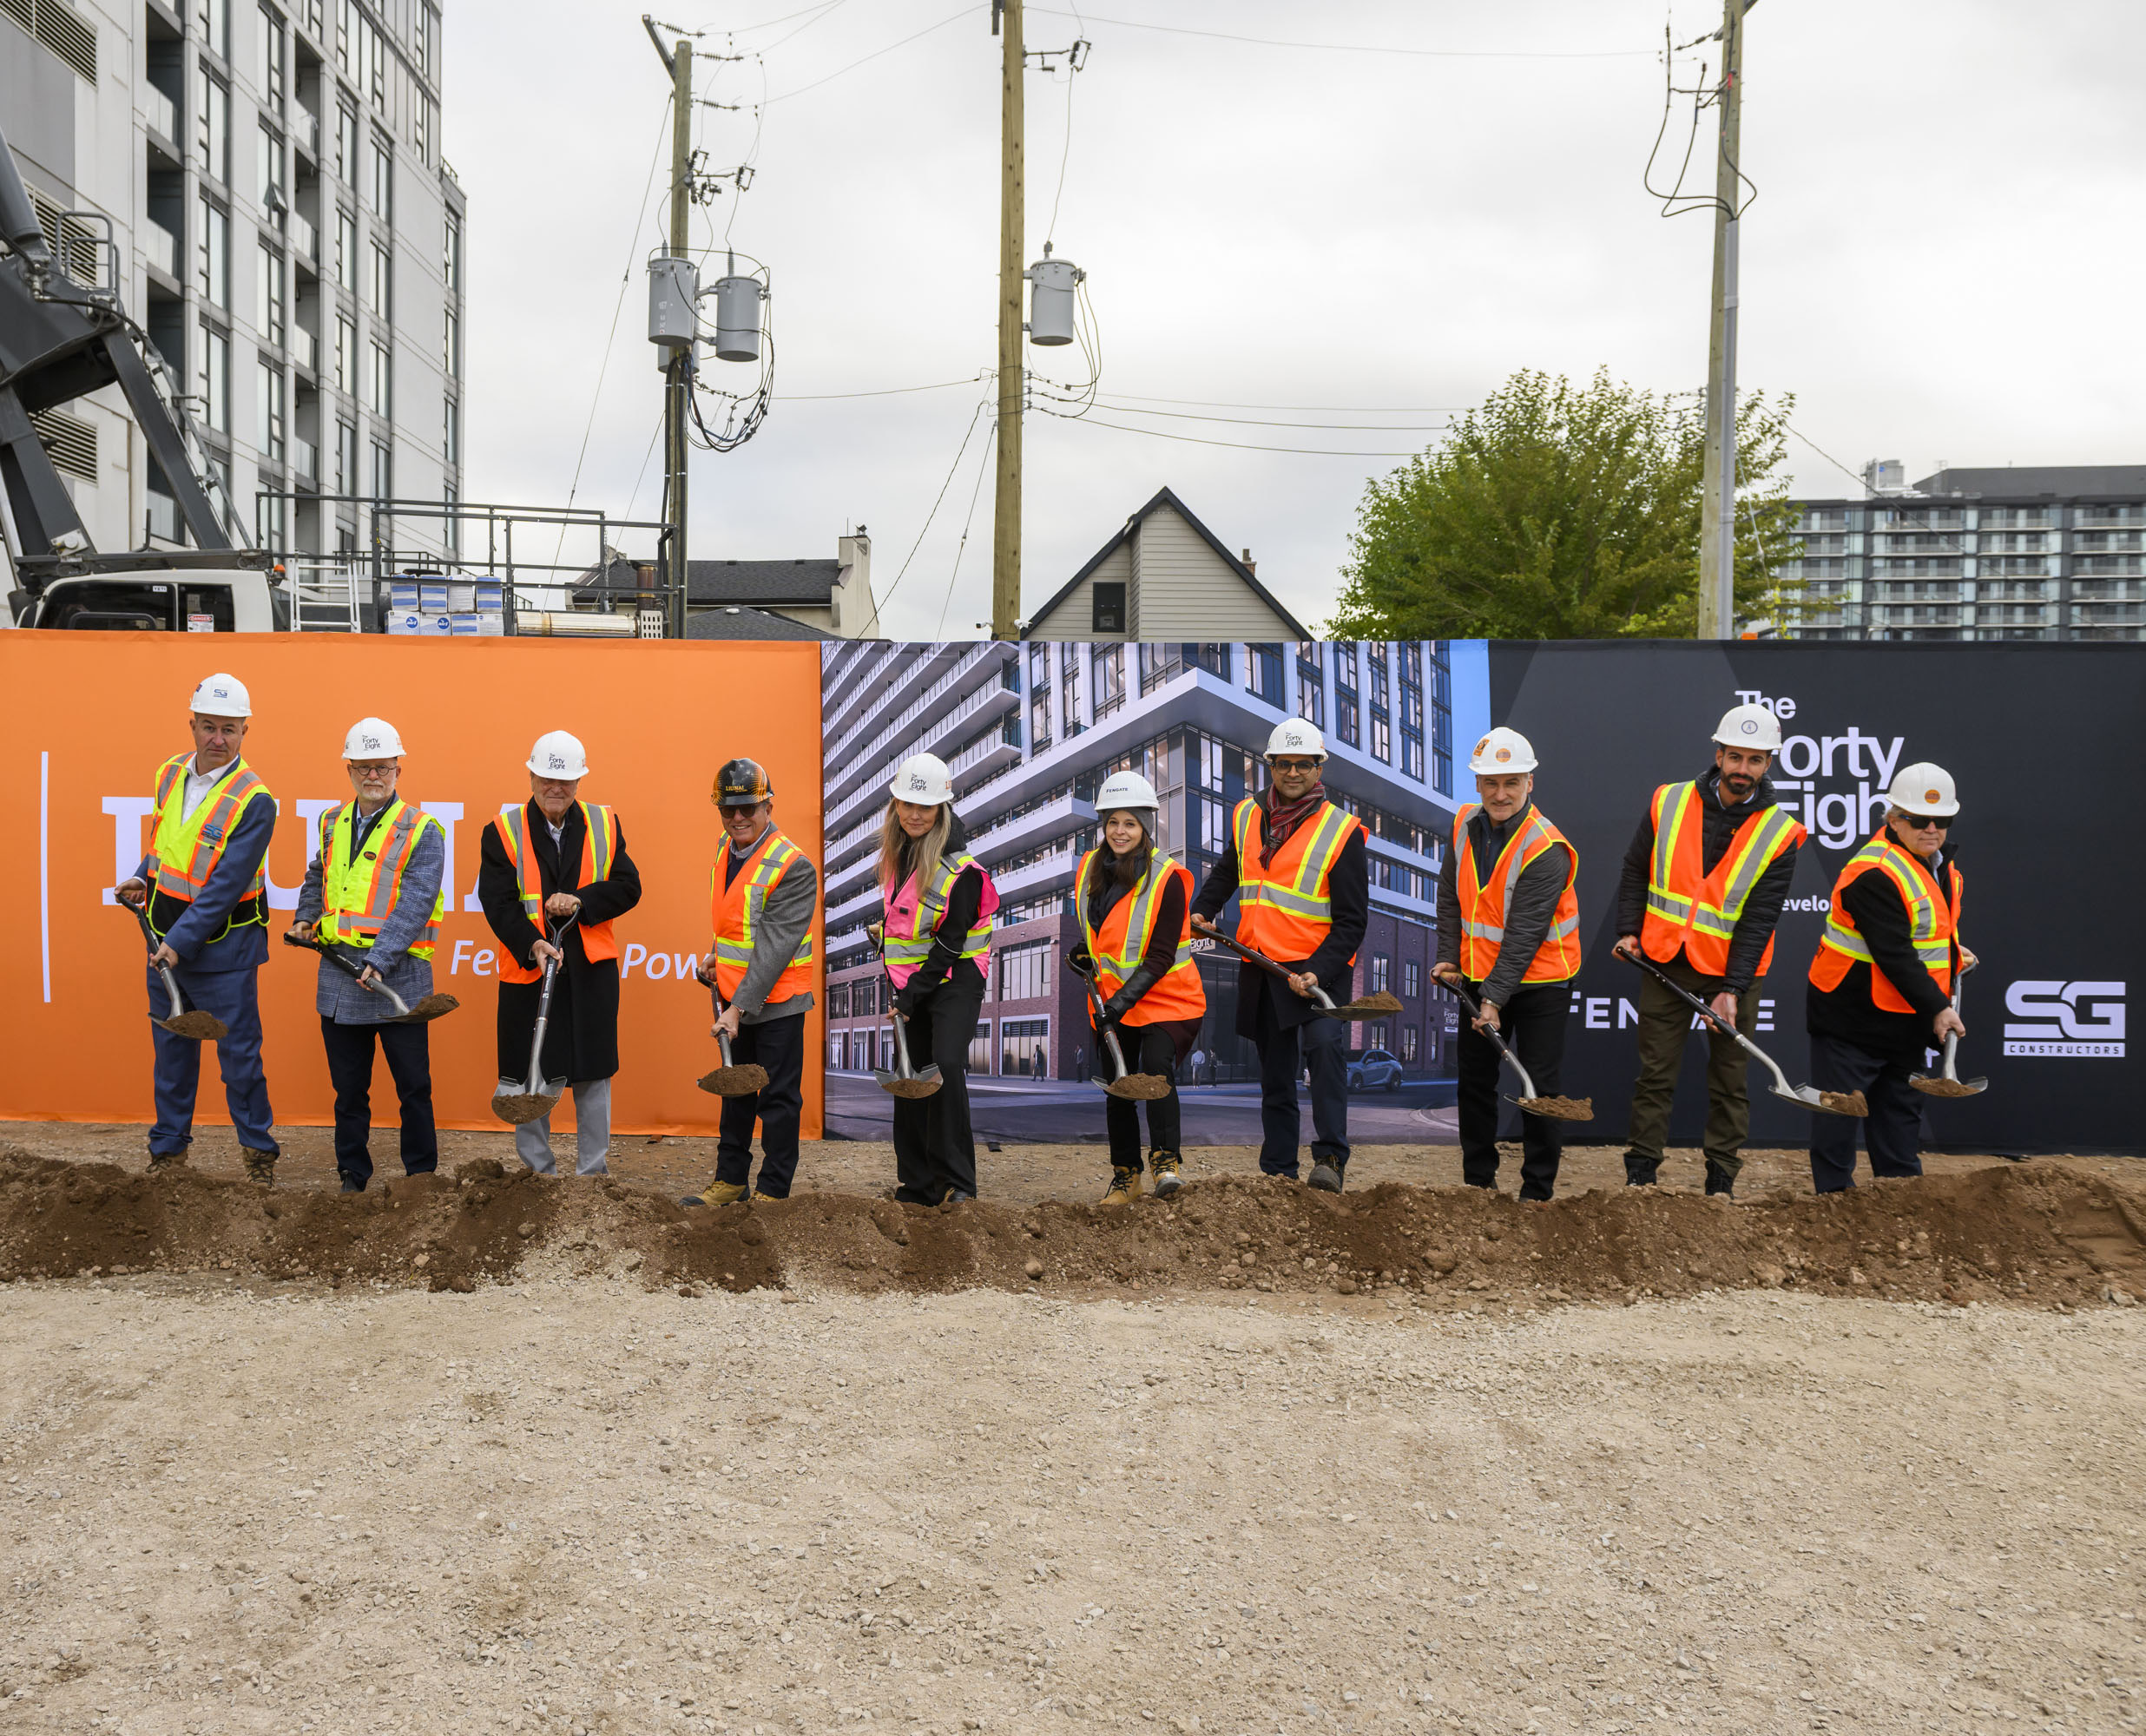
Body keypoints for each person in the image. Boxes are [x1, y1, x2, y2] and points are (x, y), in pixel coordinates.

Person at [1612, 702, 1807, 1197]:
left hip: (1733, 972)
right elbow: (1636, 870)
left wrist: (1733, 988)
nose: (1744, 769)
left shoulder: (1781, 833)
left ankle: (1721, 1179)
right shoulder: (1669, 801)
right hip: (1664, 959)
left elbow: (1761, 917)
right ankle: (1642, 1174)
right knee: (1655, 1074)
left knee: (1729, 1081)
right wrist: (1630, 930)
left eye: (1756, 760)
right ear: (1718, 754)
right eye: (1735, 756)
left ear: (1769, 764)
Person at [115, 673, 280, 1182]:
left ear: (245, 731)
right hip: (164, 941)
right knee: (172, 1058)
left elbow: (224, 888)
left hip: (223, 952)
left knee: (239, 1061)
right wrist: (143, 877)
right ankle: (167, 1154)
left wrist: (178, 946)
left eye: (229, 729)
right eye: (208, 727)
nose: (217, 739)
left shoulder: (256, 801)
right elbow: (167, 842)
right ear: (192, 725)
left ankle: (258, 1156)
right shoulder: (169, 774)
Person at [1191, 719, 1368, 1193]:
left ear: (1318, 767)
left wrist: (1317, 972)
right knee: (1275, 1074)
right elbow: (1228, 871)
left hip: (1318, 971)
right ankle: (1279, 1172)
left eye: (1303, 765)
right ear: (1270, 765)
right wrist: (1205, 908)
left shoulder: (1343, 831)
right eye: (1284, 764)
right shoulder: (1247, 815)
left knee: (1327, 1051)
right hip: (1262, 964)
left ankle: (1330, 1159)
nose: (1293, 773)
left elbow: (1352, 921)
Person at [290, 717, 447, 1193]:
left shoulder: (423, 830)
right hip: (340, 980)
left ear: (398, 769)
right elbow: (318, 878)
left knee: (413, 1088)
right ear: (350, 770)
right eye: (363, 768)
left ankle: (420, 1177)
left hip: (398, 979)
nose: (373, 776)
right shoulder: (331, 822)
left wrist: (380, 957)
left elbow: (417, 901)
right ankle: (352, 1176)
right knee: (349, 1092)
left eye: (382, 767)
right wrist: (305, 917)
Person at [479, 729, 642, 1178]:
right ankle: (538, 1174)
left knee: (593, 1074)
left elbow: (629, 888)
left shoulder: (605, 824)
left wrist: (582, 901)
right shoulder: (501, 831)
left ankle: (593, 1174)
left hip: (589, 972)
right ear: (531, 776)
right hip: (528, 969)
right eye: (547, 779)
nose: (556, 788)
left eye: (565, 780)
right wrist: (531, 943)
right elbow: (497, 902)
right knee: (529, 1072)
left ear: (579, 782)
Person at [1805, 764, 1975, 1194]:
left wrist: (1955, 957)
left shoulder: (1940, 867)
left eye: (1942, 820)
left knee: (1900, 1112)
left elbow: (1928, 936)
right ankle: (1833, 1205)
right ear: (1893, 819)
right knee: (1841, 1114)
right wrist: (1938, 1007)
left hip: (1904, 1016)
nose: (1932, 829)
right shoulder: (1874, 872)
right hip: (1851, 1016)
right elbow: (1894, 952)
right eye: (1919, 820)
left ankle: (1901, 1201)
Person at [1431, 727, 1581, 1201]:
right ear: (1478, 785)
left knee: (1540, 1087)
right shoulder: (1462, 824)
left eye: (1511, 782)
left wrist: (1493, 1000)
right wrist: (1447, 957)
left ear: (1529, 783)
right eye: (1491, 783)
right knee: (1474, 1083)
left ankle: (1537, 1192)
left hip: (1541, 982)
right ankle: (1478, 1183)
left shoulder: (1547, 847)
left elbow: (1524, 935)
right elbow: (1450, 899)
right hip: (1475, 977)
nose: (1500, 793)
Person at [684, 758, 819, 1207]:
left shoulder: (794, 866)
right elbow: (736, 921)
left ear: (768, 805)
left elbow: (776, 947)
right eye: (729, 809)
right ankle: (731, 1181)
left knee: (778, 1099)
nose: (738, 817)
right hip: (732, 996)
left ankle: (773, 1191)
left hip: (778, 1002)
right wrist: (716, 958)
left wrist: (736, 1009)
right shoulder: (727, 846)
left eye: (748, 808)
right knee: (735, 1091)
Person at [1071, 770, 1207, 1205]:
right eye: (1112, 822)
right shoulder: (1090, 870)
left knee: (1154, 1073)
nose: (1120, 831)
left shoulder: (1167, 877)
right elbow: (1104, 934)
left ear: (1146, 825)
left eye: (1130, 823)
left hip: (1168, 999)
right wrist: (1084, 954)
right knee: (1118, 1084)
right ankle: (1126, 1177)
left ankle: (1166, 1164)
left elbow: (1162, 955)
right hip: (1113, 1004)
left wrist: (1120, 1002)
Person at [877, 752, 998, 1206]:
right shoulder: (897, 857)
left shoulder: (962, 871)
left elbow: (949, 945)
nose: (913, 814)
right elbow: (907, 921)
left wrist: (909, 999)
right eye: (906, 804)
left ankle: (957, 1184)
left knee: (943, 1067)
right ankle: (917, 1184)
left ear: (941, 809)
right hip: (913, 980)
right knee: (909, 1074)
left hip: (955, 980)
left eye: (923, 807)